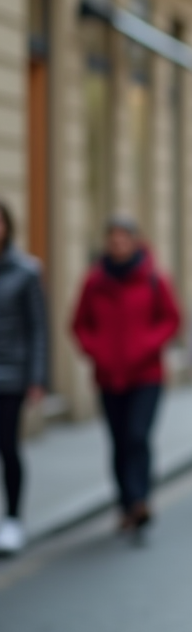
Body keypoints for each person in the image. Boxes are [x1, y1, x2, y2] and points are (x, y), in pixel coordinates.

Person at [72, 216, 180, 536]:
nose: (118, 244)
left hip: (147, 374)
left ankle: (140, 500)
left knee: (137, 435)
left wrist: (148, 345)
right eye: (113, 238)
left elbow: (172, 320)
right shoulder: (94, 281)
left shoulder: (153, 279)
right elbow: (79, 324)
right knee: (118, 440)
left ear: (135, 241)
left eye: (123, 238)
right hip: (109, 376)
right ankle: (125, 502)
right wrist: (97, 350)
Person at [0, 200, 48, 556]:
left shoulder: (27, 271)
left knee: (7, 446)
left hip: (12, 375)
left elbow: (38, 329)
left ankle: (14, 517)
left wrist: (37, 378)